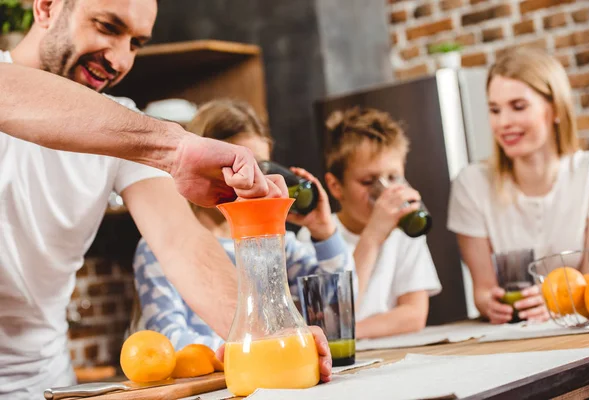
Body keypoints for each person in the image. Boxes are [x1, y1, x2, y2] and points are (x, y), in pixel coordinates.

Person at [0, 1, 330, 397]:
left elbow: (182, 242)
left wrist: (267, 332)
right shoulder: (138, 136)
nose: (120, 59)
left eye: (136, 43)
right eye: (107, 27)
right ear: (47, 8)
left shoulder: (122, 128)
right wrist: (173, 148)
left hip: (46, 384)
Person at [132, 100, 353, 359]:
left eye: (263, 168)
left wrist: (324, 230)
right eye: (241, 166)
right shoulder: (156, 247)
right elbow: (169, 337)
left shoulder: (274, 242)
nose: (256, 182)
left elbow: (336, 303)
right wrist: (258, 348)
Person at [447, 48, 589, 324]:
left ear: (555, 109)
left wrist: (557, 302)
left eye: (518, 106)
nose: (503, 123)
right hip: (512, 334)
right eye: (495, 110)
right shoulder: (471, 185)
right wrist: (488, 303)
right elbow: (482, 290)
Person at [318, 107, 442, 339]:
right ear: (335, 186)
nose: (384, 192)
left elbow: (414, 314)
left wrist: (348, 332)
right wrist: (372, 237)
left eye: (393, 178)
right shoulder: (318, 235)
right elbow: (335, 315)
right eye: (368, 181)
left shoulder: (404, 229)